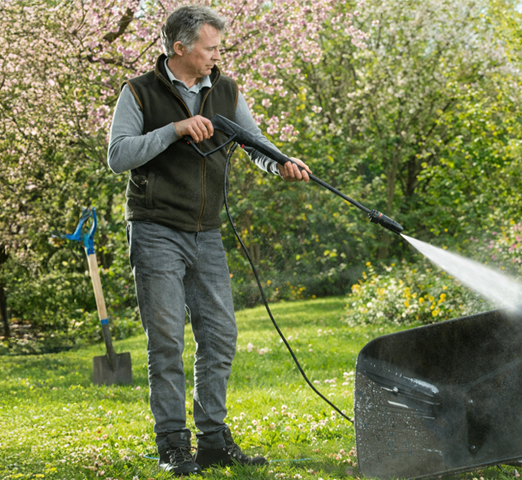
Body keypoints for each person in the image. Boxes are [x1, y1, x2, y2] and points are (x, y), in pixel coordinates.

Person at [106, 5, 312, 476]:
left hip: (207, 233)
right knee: (165, 343)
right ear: (180, 48)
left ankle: (214, 439)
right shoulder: (138, 92)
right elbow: (118, 156)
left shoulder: (226, 90)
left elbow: (253, 143)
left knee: (220, 336)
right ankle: (173, 445)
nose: (217, 56)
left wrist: (280, 163)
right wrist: (174, 129)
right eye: (209, 47)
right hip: (156, 228)